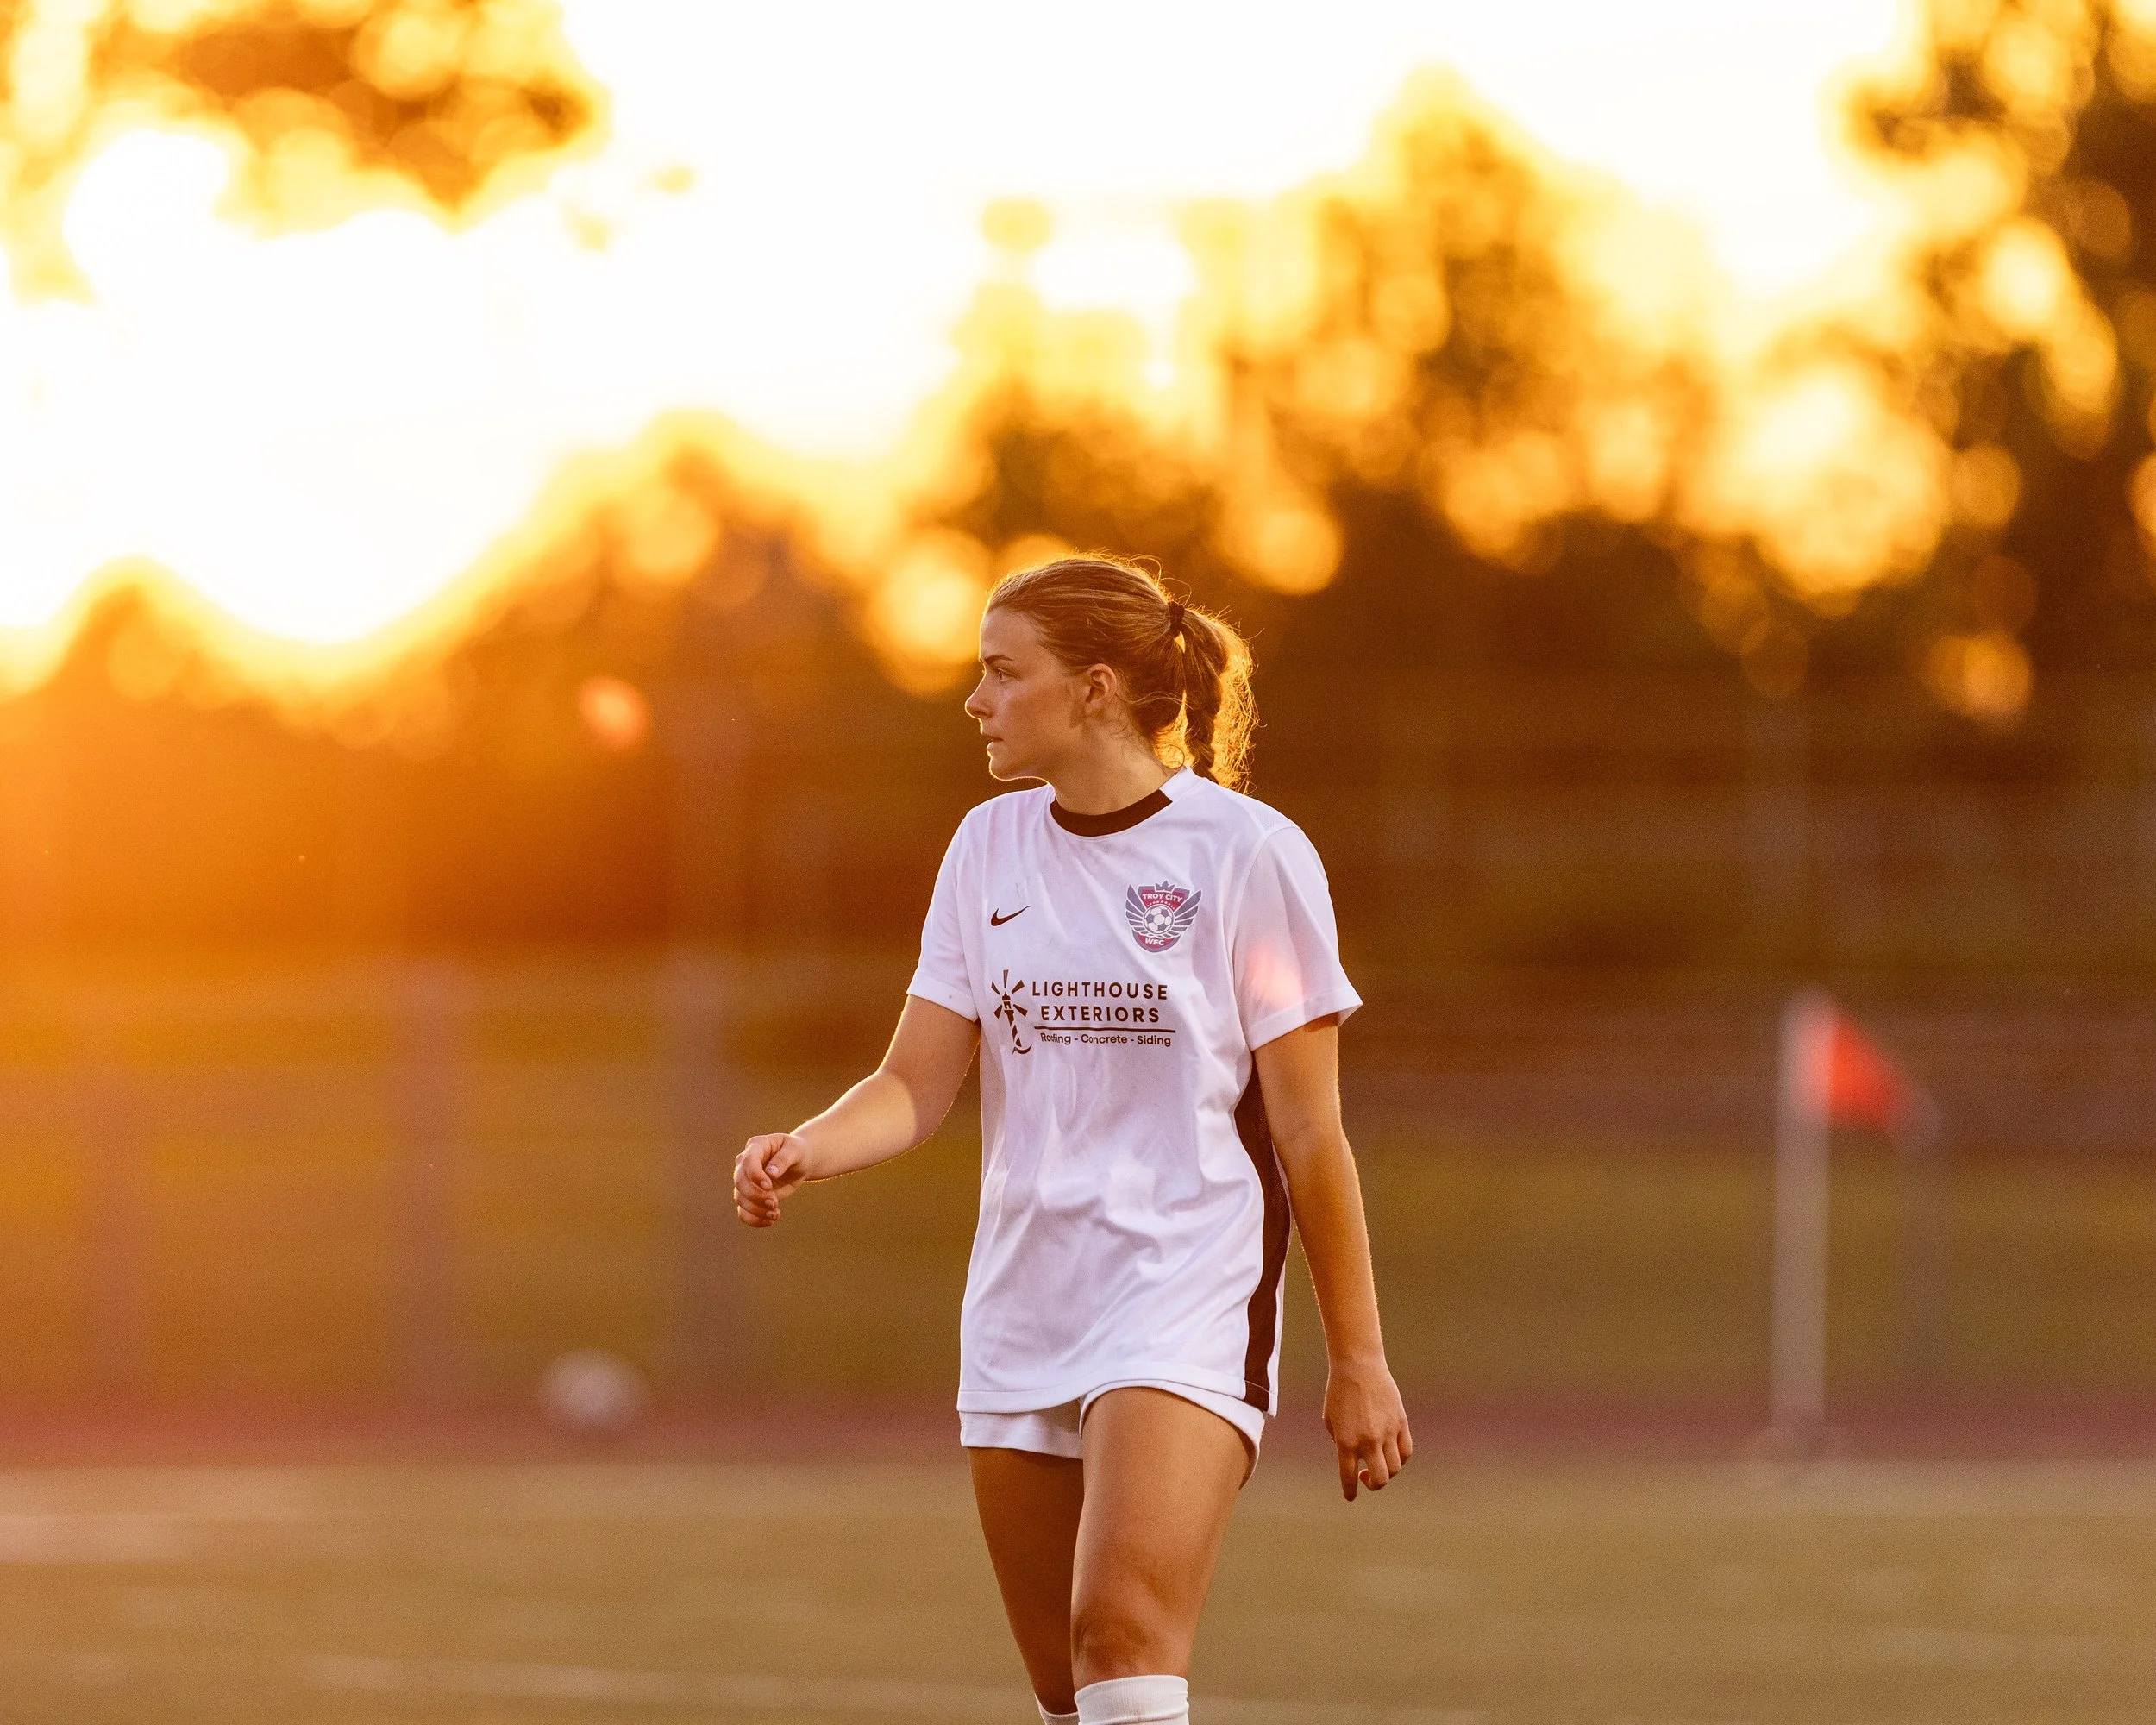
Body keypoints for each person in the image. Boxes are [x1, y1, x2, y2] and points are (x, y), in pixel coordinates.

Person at [733, 555, 1412, 1725]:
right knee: (1071, 1688)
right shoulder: (987, 849)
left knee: (1122, 1635)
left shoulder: (1247, 856)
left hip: (1180, 1290)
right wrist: (809, 1145)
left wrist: (1360, 1358)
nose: (976, 701)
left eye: (1004, 673)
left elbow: (1309, 1128)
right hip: (1023, 1300)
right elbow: (913, 1082)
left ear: (1094, 690)